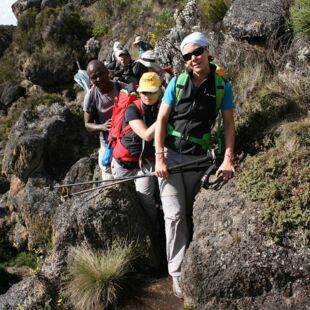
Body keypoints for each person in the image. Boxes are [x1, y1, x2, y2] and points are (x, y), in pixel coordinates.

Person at [154, 32, 236, 298]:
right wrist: (159, 156)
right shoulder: (176, 83)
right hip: (170, 156)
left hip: (199, 159)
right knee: (175, 215)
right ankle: (177, 274)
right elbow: (162, 119)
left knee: (190, 213)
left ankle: (192, 268)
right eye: (187, 56)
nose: (193, 59)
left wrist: (227, 157)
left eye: (197, 52)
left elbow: (228, 125)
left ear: (207, 51)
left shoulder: (222, 86)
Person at [111, 72, 162, 226]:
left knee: (147, 200)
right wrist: (164, 117)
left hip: (144, 164)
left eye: (151, 91)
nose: (147, 95)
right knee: (121, 201)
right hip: (122, 164)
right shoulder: (132, 109)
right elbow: (146, 135)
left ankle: (154, 229)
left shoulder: (162, 107)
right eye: (144, 91)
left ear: (159, 91)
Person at [83, 60, 127, 180]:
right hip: (107, 143)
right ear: (90, 80)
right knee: (109, 181)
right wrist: (102, 126)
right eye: (94, 77)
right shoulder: (91, 96)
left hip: (127, 141)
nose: (98, 79)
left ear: (107, 72)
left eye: (101, 74)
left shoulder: (122, 88)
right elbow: (87, 125)